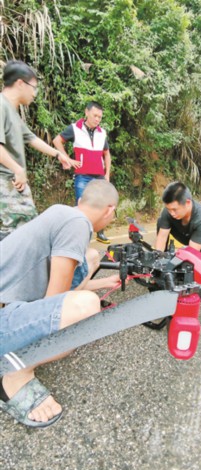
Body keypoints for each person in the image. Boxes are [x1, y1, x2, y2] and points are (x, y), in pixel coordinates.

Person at [0, 179, 121, 428]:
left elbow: (60, 290)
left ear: (80, 202)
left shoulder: (62, 213)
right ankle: (14, 375)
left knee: (91, 256)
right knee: (86, 308)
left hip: (10, 305)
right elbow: (56, 303)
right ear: (109, 210)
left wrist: (105, 282)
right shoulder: (78, 225)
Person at [0, 60, 71, 240]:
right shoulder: (1, 106)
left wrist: (58, 154)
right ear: (20, 84)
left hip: (14, 186)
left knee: (24, 234)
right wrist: (17, 169)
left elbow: (31, 138)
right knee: (12, 237)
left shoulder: (12, 111)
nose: (34, 93)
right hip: (6, 186)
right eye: (34, 87)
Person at [53, 101, 112, 244]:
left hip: (99, 177)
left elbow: (107, 154)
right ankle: (79, 236)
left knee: (101, 204)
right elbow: (57, 141)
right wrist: (67, 159)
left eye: (100, 117)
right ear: (86, 112)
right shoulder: (74, 129)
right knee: (82, 206)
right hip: (82, 176)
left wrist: (107, 175)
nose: (97, 119)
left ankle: (100, 232)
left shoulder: (101, 133)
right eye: (95, 115)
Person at [155, 181, 201, 256]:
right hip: (187, 236)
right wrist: (158, 257)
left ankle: (200, 264)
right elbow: (162, 237)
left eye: (174, 209)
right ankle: (164, 258)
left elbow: (192, 252)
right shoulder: (168, 212)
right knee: (161, 222)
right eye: (168, 209)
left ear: (188, 203)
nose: (171, 213)